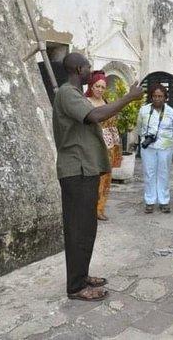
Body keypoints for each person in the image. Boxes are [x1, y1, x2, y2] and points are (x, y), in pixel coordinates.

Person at [52, 53, 143, 301]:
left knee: (86, 228)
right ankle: (76, 287)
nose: (91, 71)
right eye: (88, 67)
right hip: (76, 170)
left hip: (85, 170)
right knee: (78, 230)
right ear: (78, 69)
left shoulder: (75, 94)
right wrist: (128, 98)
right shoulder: (67, 93)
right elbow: (95, 115)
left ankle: (81, 276)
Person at [136, 84, 173, 214]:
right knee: (149, 173)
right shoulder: (144, 110)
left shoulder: (171, 112)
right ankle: (149, 201)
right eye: (154, 96)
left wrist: (166, 138)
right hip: (148, 147)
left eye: (160, 96)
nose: (157, 99)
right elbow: (139, 128)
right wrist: (146, 138)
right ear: (151, 97)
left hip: (165, 147)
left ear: (165, 97)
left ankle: (164, 201)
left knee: (164, 173)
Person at [85, 70, 121, 221]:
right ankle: (88, 209)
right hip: (93, 145)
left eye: (102, 87)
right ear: (91, 86)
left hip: (109, 146)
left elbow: (113, 125)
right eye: (97, 86)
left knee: (106, 179)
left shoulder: (106, 103)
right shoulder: (85, 103)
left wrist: (117, 146)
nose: (99, 90)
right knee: (92, 179)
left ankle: (100, 208)